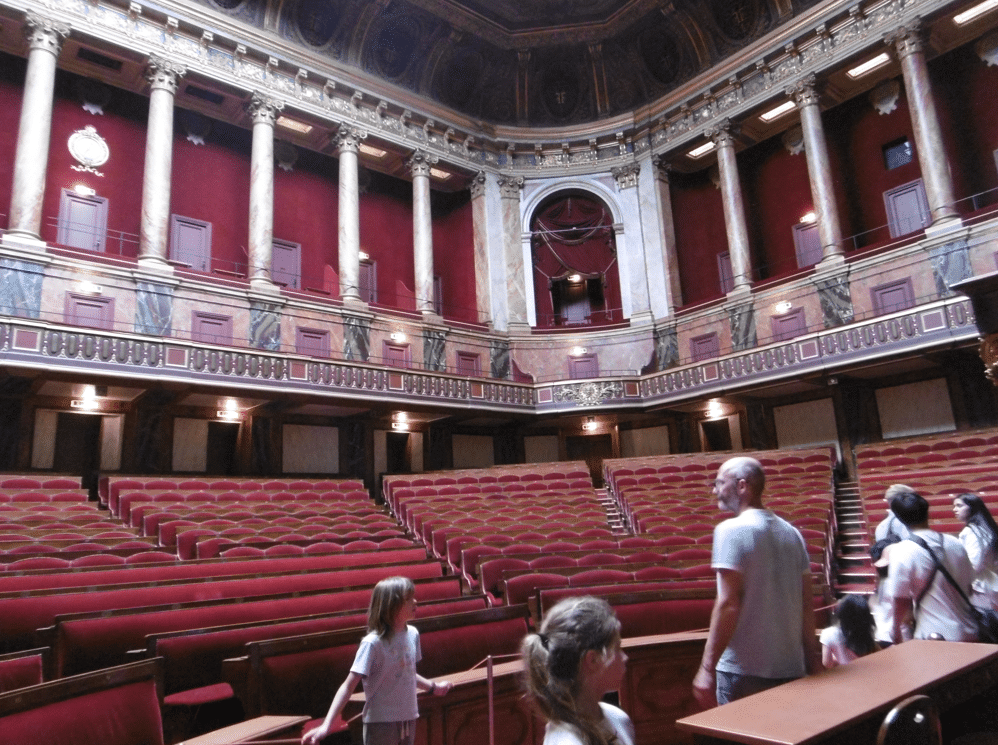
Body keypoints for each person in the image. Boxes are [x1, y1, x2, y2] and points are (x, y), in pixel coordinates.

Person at [692, 456, 821, 708]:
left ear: (742, 486)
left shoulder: (730, 530)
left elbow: (728, 604)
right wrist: (813, 658)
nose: (715, 490)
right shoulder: (792, 533)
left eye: (720, 483)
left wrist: (707, 668)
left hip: (743, 673)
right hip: (791, 668)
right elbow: (807, 603)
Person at [302, 576, 452, 745]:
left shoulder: (413, 634)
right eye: (409, 599)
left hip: (408, 717)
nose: (416, 602)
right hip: (381, 723)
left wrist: (433, 687)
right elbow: (348, 685)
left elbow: (407, 673)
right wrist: (326, 725)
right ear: (392, 605)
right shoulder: (372, 643)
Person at [522, 596, 634, 745]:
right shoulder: (566, 741)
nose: (625, 657)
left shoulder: (618, 718)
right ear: (593, 660)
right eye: (618, 648)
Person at [885, 490, 977, 642]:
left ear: (900, 519)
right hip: (970, 628)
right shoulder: (954, 542)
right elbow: (970, 588)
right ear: (927, 513)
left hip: (936, 635)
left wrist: (895, 630)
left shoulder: (902, 550)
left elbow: (900, 599)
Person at [952, 492, 998, 611]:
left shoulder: (972, 532)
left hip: (979, 587)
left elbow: (974, 565)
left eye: (959, 506)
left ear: (972, 507)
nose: (955, 510)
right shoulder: (984, 529)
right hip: (988, 584)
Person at [869, 537, 910, 647]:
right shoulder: (898, 582)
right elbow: (907, 616)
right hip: (899, 637)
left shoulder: (882, 583)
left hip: (881, 635)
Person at [819, 594, 877, 668]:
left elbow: (827, 663)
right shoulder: (867, 633)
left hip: (845, 677)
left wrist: (839, 658)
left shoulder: (828, 634)